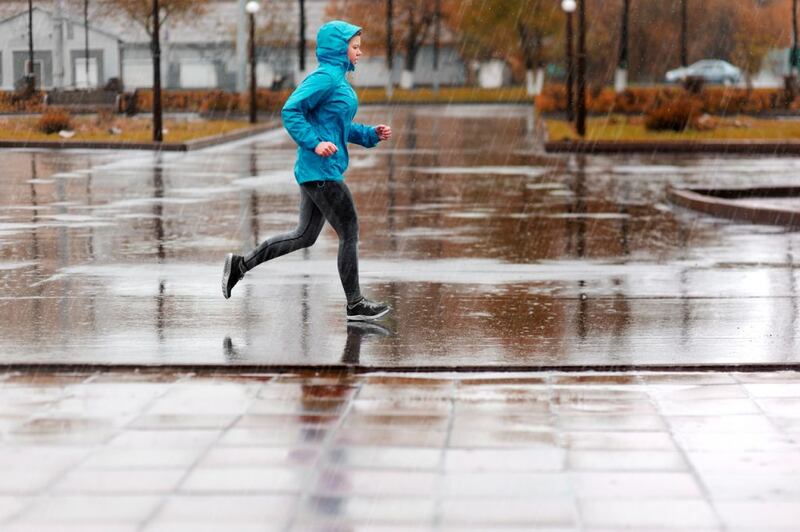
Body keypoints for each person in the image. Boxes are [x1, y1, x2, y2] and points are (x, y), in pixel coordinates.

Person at [222, 20, 392, 322]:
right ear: (340, 49)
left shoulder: (337, 80)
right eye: (355, 47)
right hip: (321, 171)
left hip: (319, 171)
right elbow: (291, 110)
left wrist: (370, 134)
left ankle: (239, 265)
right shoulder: (326, 78)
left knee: (304, 236)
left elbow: (338, 127)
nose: (360, 52)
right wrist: (315, 144)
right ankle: (355, 304)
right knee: (349, 230)